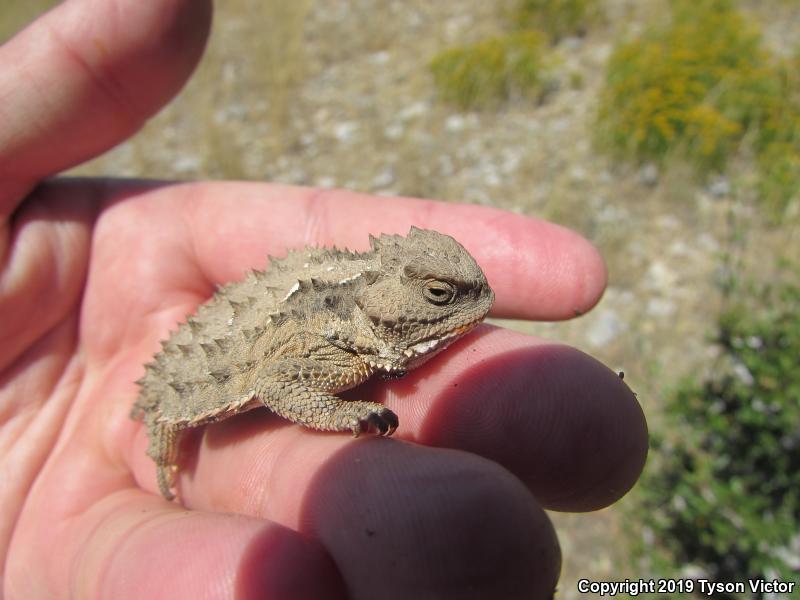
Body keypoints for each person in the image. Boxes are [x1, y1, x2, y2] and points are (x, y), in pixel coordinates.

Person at [0, 1, 648, 598]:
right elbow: (280, 383)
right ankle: (166, 459)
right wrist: (342, 417)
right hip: (197, 373)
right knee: (174, 425)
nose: (469, 303)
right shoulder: (346, 354)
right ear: (394, 302)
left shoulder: (375, 323)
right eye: (440, 295)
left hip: (292, 306)